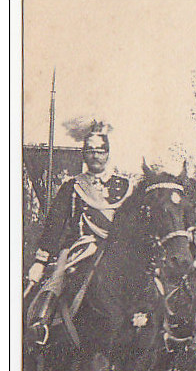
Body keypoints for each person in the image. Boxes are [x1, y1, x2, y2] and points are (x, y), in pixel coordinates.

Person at [25, 118, 133, 345]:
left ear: (108, 153)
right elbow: (54, 225)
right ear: (84, 154)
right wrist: (40, 260)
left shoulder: (124, 186)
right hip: (78, 248)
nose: (95, 155)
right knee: (58, 277)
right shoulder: (72, 186)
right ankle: (42, 324)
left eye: (100, 151)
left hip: (115, 250)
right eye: (90, 150)